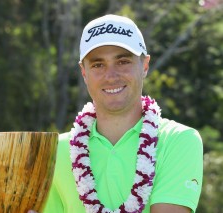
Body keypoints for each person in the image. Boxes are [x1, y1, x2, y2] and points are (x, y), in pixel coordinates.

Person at [31, 14, 203, 213]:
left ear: (145, 65)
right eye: (98, 65)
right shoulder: (54, 152)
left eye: (122, 62)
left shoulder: (178, 140)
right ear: (84, 73)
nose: (111, 76)